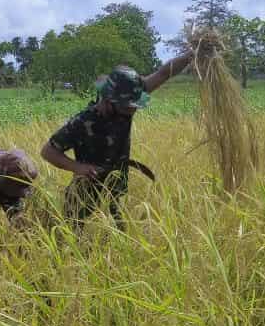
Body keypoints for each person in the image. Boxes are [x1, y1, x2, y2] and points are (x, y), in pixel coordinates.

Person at [40, 53, 193, 222]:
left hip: (114, 195)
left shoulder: (129, 94)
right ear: (109, 100)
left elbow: (164, 73)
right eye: (128, 107)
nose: (133, 110)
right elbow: (48, 151)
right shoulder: (82, 122)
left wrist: (192, 54)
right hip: (83, 200)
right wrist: (77, 167)